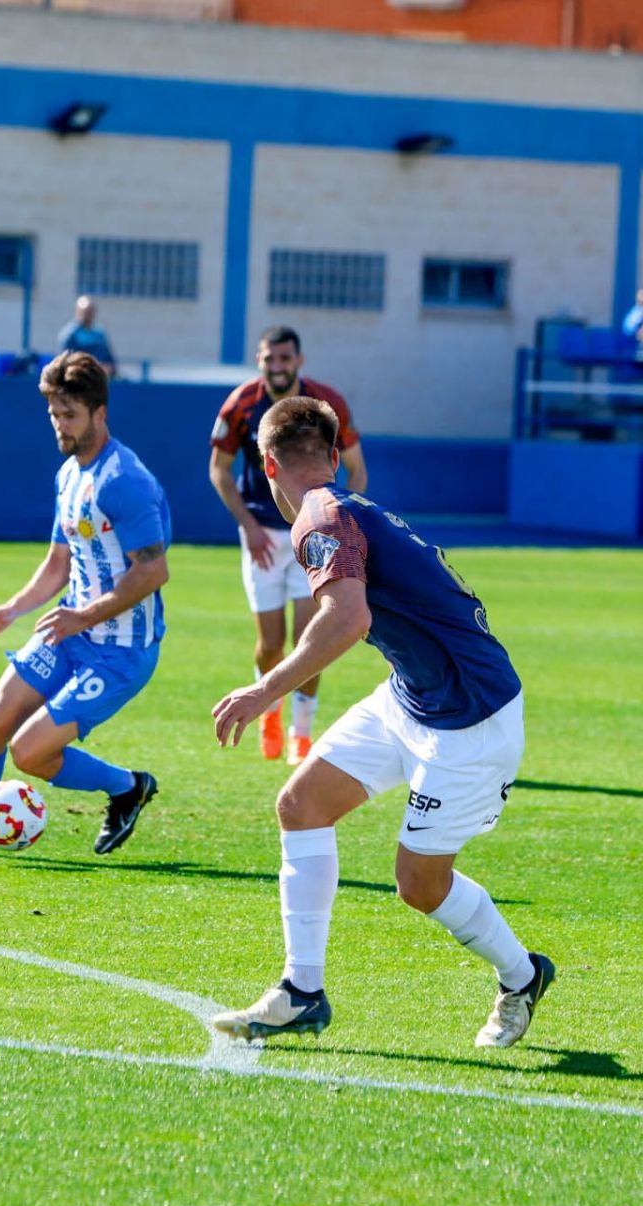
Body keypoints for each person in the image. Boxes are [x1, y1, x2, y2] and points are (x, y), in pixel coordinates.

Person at [208, 396, 550, 1048]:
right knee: (301, 804)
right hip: (411, 698)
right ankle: (301, 989)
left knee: (419, 886)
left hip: (470, 722)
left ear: (267, 467)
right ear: (334, 459)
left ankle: (523, 974)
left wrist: (265, 689)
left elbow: (348, 620)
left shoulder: (318, 518)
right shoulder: (347, 507)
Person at [0, 352, 167, 858]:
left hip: (121, 650)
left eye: (69, 415)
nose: (59, 426)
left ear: (100, 413)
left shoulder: (124, 481)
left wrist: (84, 616)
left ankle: (127, 786)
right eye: (53, 414)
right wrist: (11, 610)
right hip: (68, 632)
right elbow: (57, 563)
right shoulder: (69, 476)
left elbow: (153, 571)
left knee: (29, 753)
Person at [208, 326, 364, 764]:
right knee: (270, 642)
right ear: (259, 360)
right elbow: (218, 469)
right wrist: (248, 525)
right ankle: (269, 712)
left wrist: (339, 520)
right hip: (262, 534)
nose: (277, 366)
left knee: (309, 637)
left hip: (312, 532)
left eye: (285, 358)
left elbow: (356, 467)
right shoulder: (241, 404)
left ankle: (301, 731)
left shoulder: (323, 405)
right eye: (269, 359)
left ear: (299, 360)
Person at [56, 296, 116, 375]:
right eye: (86, 312)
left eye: (91, 311)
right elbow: (66, 361)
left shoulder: (100, 334)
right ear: (78, 311)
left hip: (99, 379)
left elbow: (110, 360)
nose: (88, 315)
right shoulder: (70, 334)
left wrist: (108, 368)